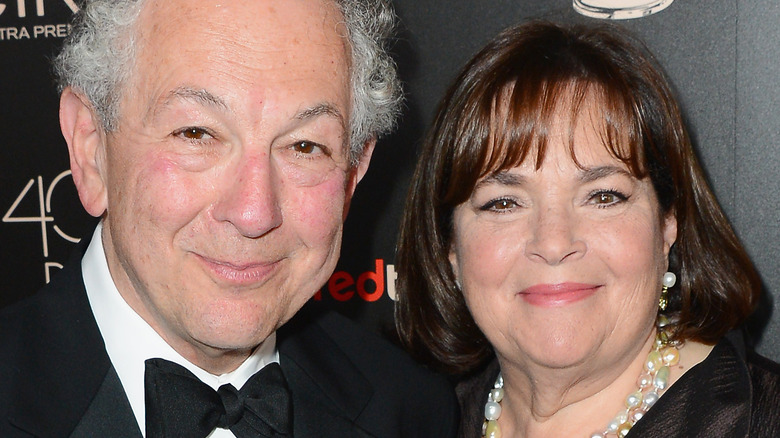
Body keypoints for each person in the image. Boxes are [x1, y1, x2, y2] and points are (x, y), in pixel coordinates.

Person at [0, 0, 458, 437]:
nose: (254, 213)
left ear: (353, 172)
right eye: (197, 134)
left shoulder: (412, 411)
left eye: (304, 146)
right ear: (91, 148)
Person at [395, 21, 780, 438]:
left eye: (603, 196)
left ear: (668, 222)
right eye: (504, 203)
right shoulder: (415, 420)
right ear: (450, 246)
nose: (554, 243)